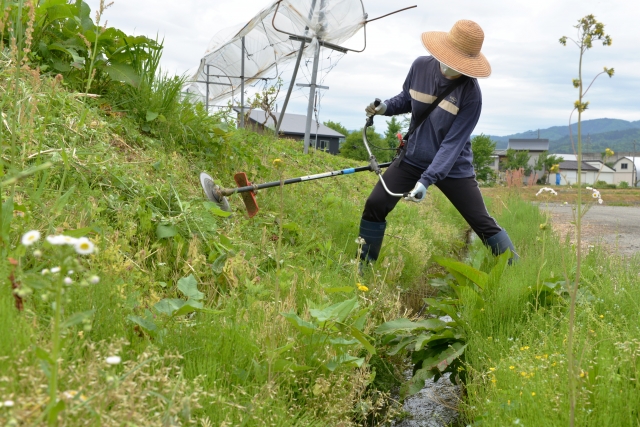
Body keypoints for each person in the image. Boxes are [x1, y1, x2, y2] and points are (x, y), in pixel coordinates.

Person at [358, 19, 518, 265]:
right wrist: (385, 108)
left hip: (453, 168)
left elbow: (452, 146)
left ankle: (517, 271)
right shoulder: (420, 66)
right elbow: (407, 99)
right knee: (376, 203)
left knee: (480, 221)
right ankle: (362, 268)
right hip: (412, 158)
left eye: (460, 63)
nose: (452, 66)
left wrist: (426, 181)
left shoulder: (471, 94)